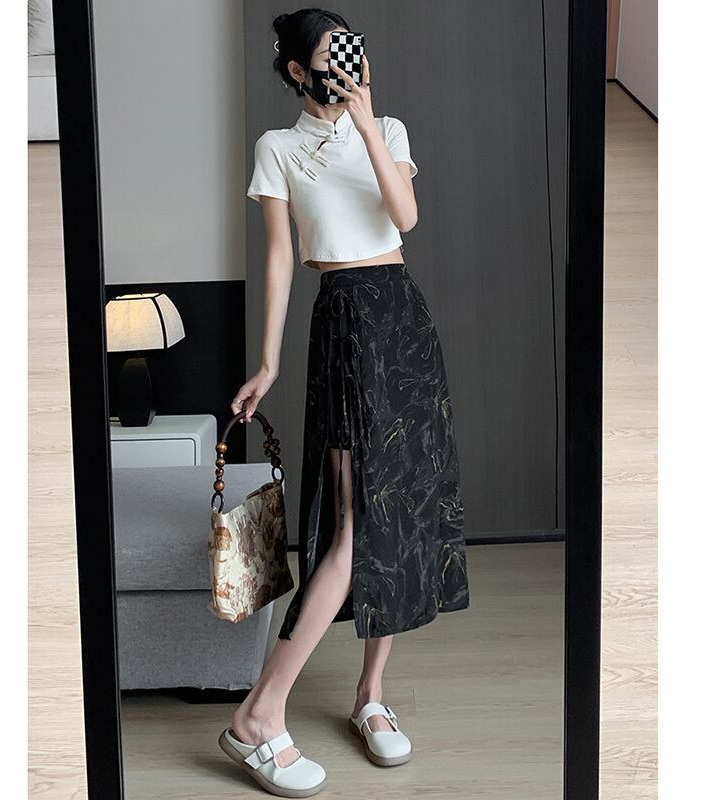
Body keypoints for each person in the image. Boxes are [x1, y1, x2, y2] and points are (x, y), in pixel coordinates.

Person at [217, 8, 469, 796]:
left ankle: (371, 696)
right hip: (345, 321)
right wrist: (268, 363)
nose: (346, 65)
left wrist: (364, 124)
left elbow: (407, 216)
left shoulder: (385, 128)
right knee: (355, 522)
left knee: (401, 512)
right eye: (330, 55)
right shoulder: (278, 147)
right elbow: (281, 259)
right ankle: (259, 715)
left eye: (351, 51)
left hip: (404, 319)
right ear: (298, 70)